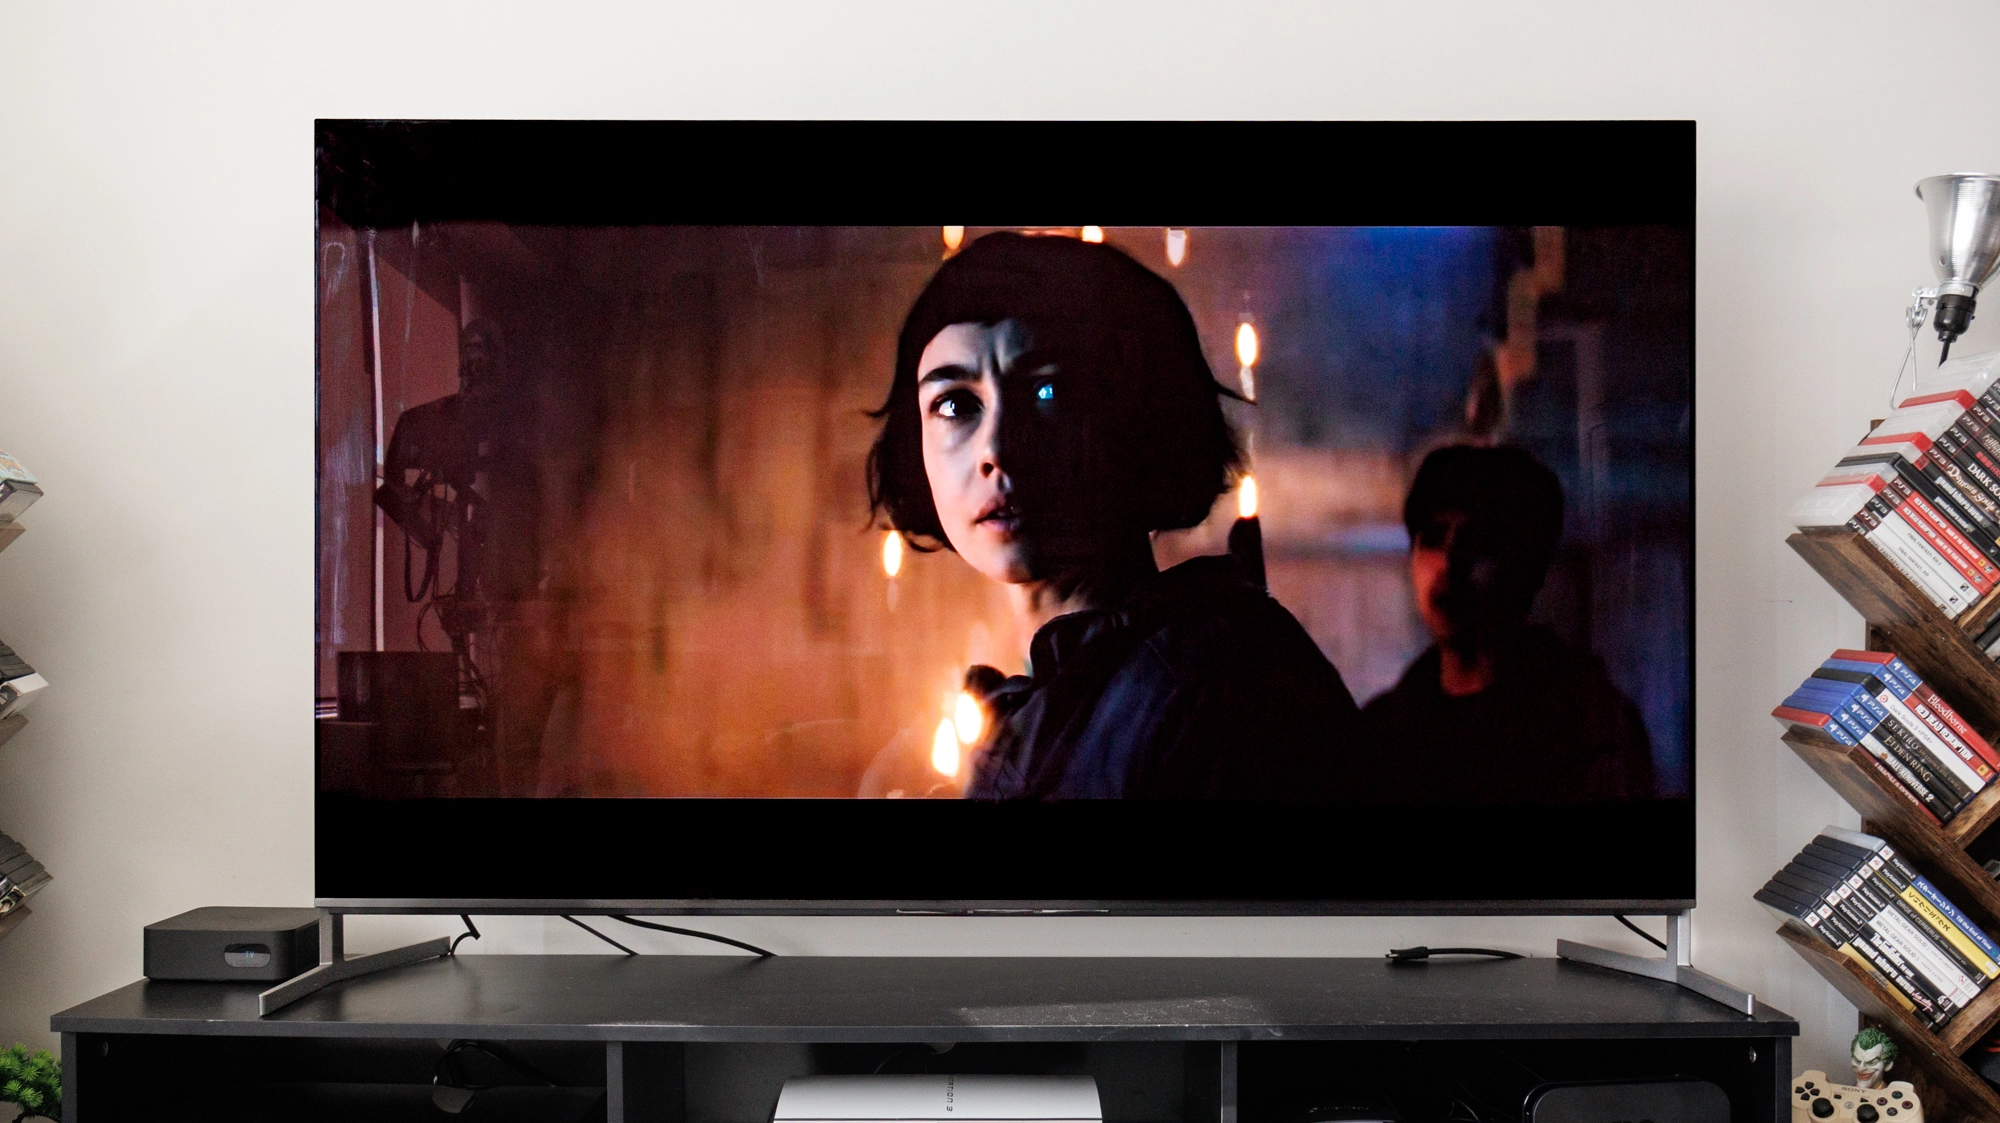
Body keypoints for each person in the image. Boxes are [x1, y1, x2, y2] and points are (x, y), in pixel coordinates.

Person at [866, 232, 1360, 800]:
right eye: (956, 404)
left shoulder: (1222, 684)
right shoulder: (1033, 712)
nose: (996, 448)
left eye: (1047, 393)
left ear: (1139, 418)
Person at [1359, 445, 1655, 804]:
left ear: (1526, 566)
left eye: (1477, 540)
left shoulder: (1591, 727)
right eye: (1432, 539)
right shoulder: (1382, 734)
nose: (1449, 563)